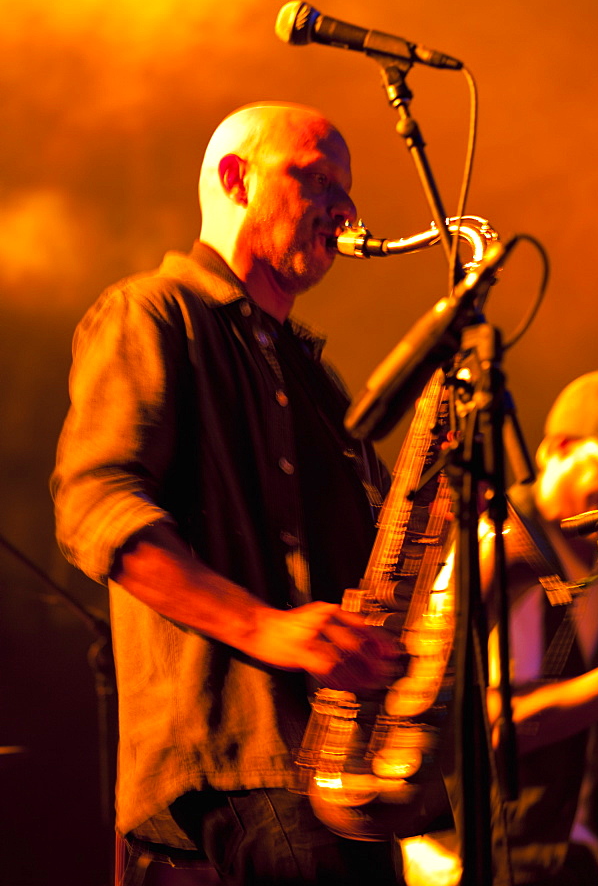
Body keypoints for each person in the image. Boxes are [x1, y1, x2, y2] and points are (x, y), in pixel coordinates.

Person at [51, 103, 404, 885]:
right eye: (316, 181)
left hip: (344, 763)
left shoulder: (313, 377)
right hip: (236, 760)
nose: (345, 211)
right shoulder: (151, 311)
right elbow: (95, 505)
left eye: (348, 192)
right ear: (236, 179)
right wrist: (266, 629)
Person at [480, 369, 598, 886]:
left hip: (586, 856)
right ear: (558, 448)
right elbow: (496, 727)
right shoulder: (497, 544)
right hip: (496, 858)